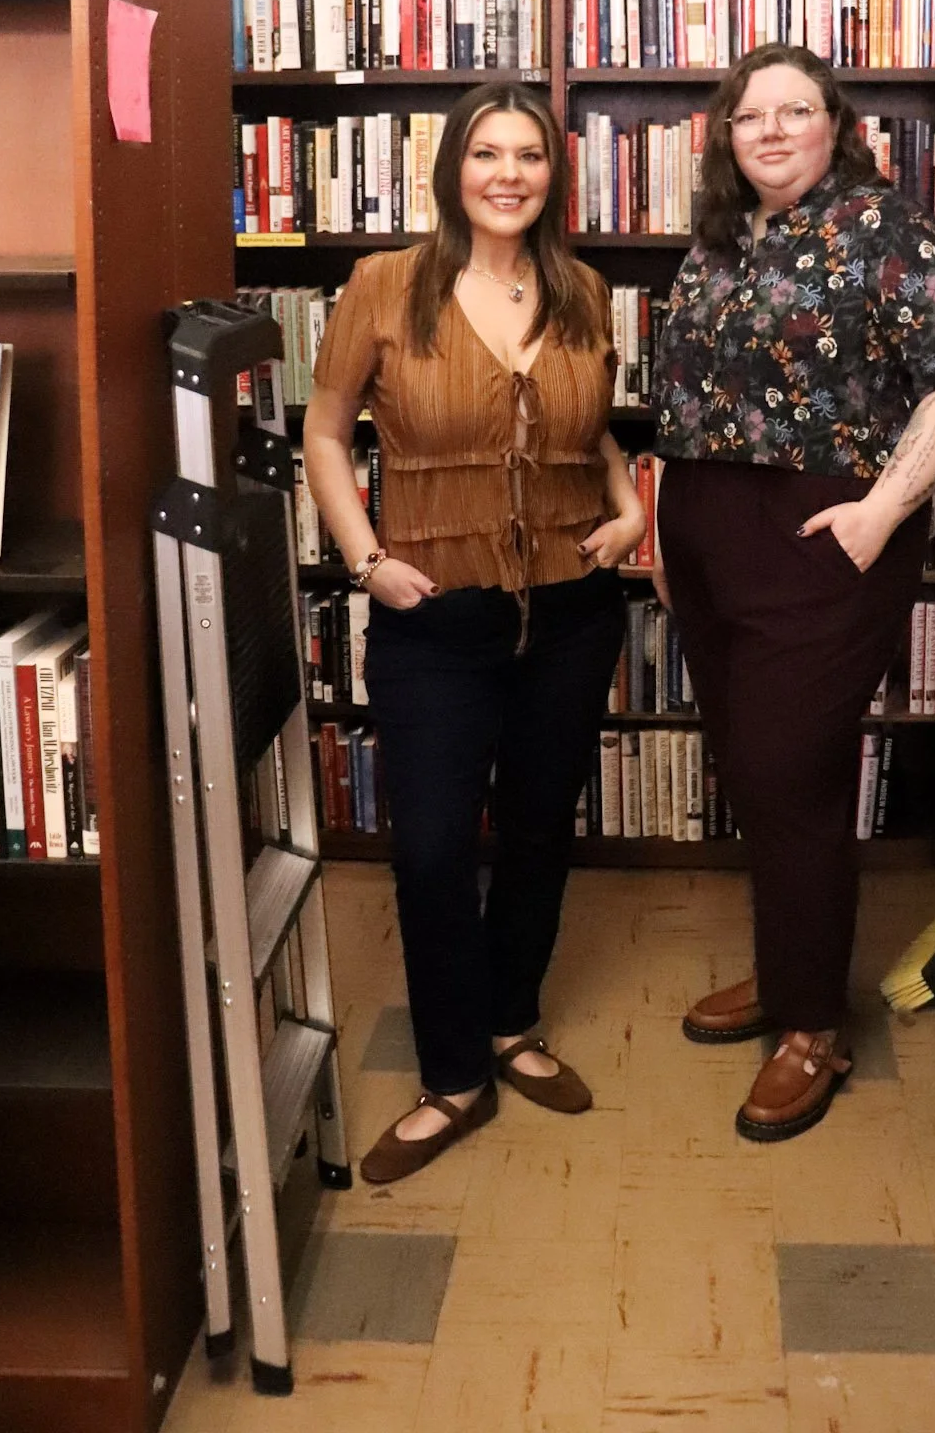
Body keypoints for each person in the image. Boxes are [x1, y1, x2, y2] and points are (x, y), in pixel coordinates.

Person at [652, 43, 935, 1142]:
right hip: (709, 529)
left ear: (834, 123)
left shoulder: (884, 227)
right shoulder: (719, 237)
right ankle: (784, 967)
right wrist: (666, 514)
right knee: (753, 766)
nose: (771, 129)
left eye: (795, 109)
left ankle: (814, 1025)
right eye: (750, 114)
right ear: (727, 134)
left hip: (824, 530)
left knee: (792, 768)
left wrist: (882, 511)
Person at [304, 84, 644, 1183]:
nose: (509, 172)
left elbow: (582, 430)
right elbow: (322, 431)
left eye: (530, 155)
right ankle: (453, 1075)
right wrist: (365, 558)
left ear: (554, 173)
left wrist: (630, 501)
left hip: (570, 609)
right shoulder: (384, 285)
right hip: (431, 613)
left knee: (542, 830)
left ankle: (511, 1023)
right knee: (436, 846)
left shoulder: (584, 288)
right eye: (487, 152)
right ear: (454, 166)